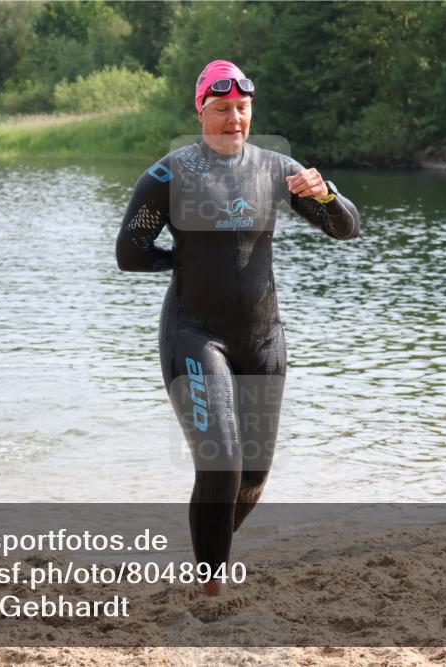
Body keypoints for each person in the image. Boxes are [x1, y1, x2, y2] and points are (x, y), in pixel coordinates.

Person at [116, 60, 360, 593]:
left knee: (253, 476)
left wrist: (326, 195)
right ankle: (210, 585)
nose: (233, 120)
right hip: (194, 333)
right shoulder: (168, 173)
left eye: (242, 110)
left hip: (263, 338)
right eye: (221, 110)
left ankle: (207, 554)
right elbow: (130, 254)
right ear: (201, 111)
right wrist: (181, 260)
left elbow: (347, 229)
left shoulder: (277, 168)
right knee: (222, 464)